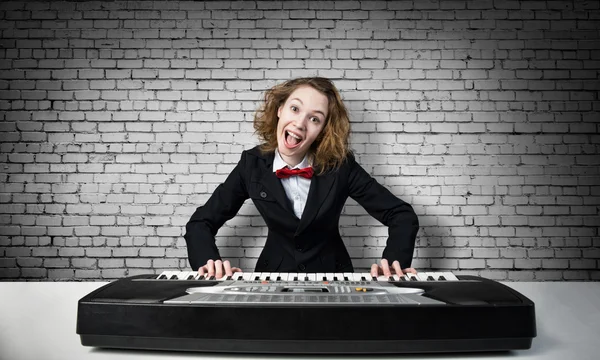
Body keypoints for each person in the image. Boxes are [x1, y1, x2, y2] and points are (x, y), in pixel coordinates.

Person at [184, 77, 419, 279]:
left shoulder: (341, 166)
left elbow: (401, 214)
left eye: (314, 119)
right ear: (279, 110)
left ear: (323, 130)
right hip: (271, 278)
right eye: (295, 109)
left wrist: (394, 261)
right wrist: (208, 262)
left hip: (334, 277)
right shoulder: (251, 165)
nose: (299, 124)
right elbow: (200, 223)